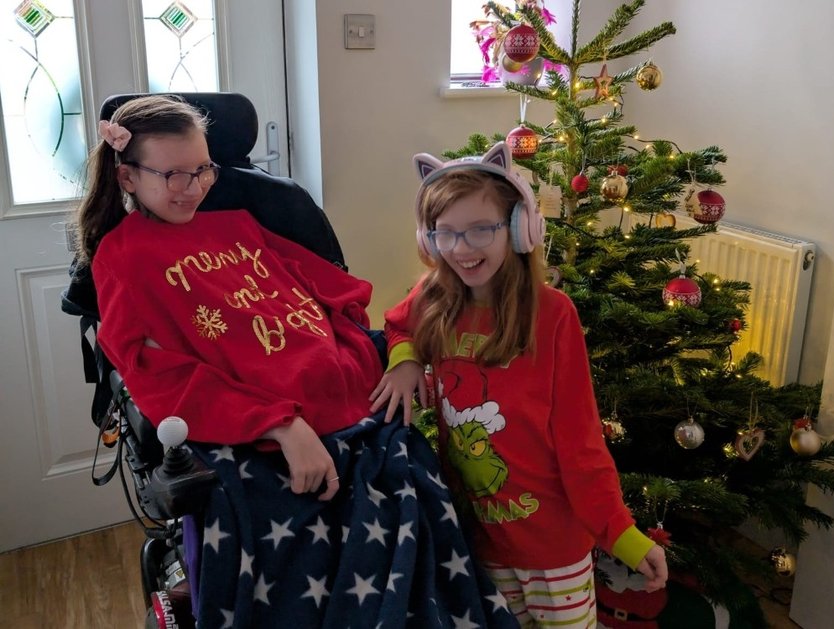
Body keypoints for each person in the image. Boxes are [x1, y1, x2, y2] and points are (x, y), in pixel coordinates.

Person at [75, 94, 518, 628]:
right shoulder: (122, 257)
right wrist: (280, 424)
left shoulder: (240, 222)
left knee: (417, 494)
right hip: (254, 426)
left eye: (203, 170)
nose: (193, 187)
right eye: (174, 175)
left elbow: (330, 287)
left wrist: (368, 349)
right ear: (127, 177)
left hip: (344, 396)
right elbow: (157, 375)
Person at [369, 142, 668, 628]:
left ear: (518, 227)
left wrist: (623, 536)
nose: (461, 249)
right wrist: (404, 361)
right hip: (479, 543)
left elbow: (581, 444)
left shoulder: (553, 315)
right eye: (445, 233)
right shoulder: (433, 298)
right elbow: (397, 324)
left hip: (554, 552)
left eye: (480, 229)